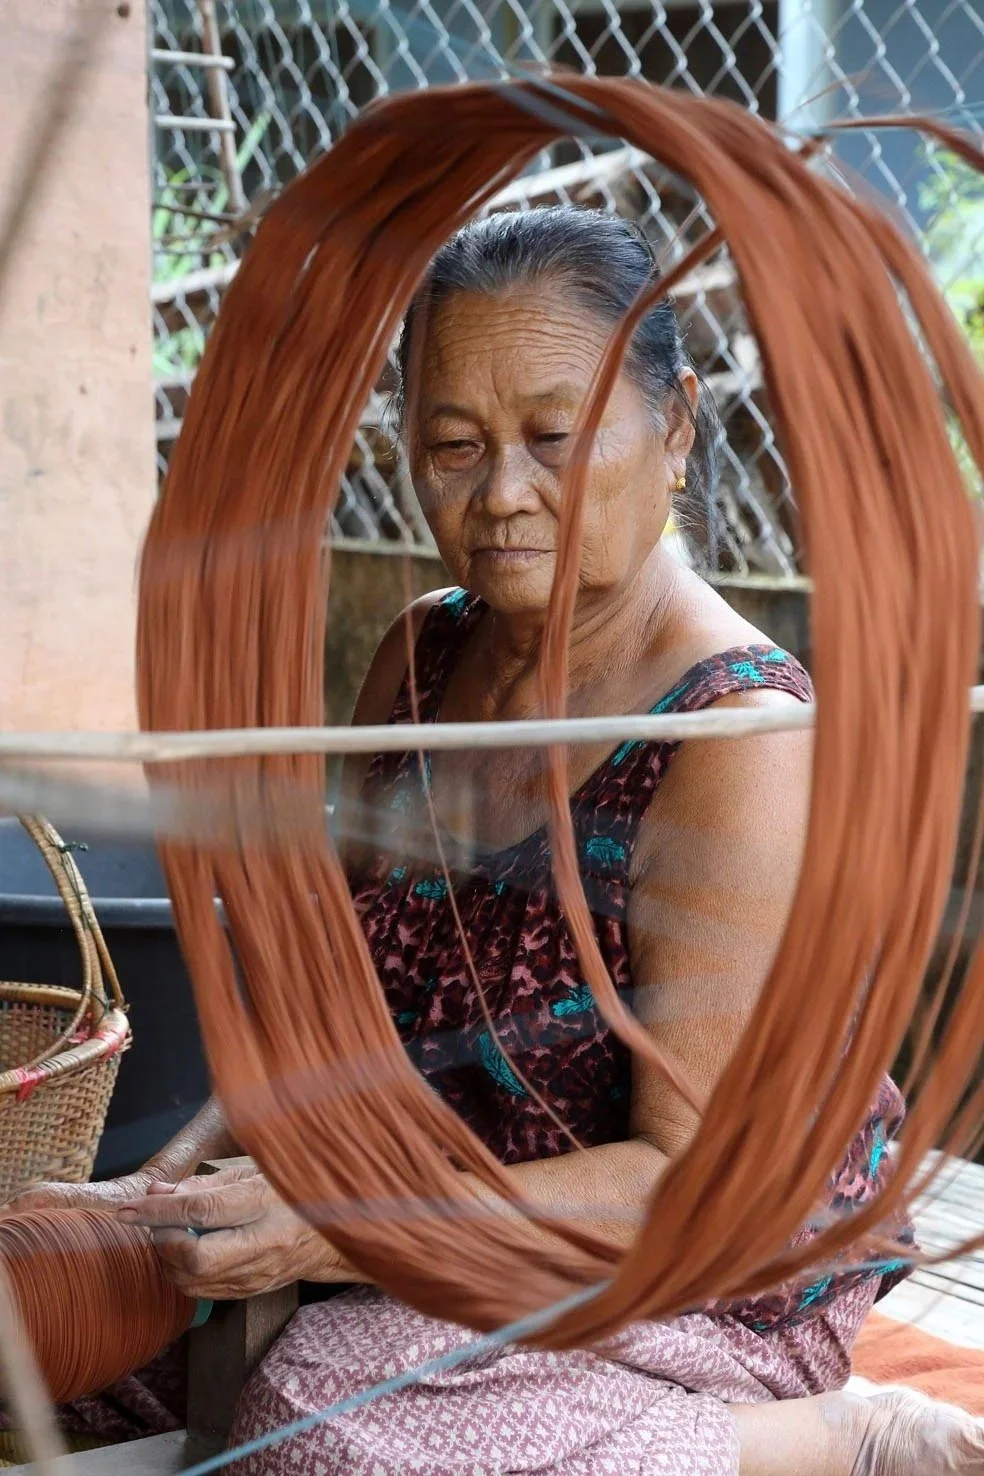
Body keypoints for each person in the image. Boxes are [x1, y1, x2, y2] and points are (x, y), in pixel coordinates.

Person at [18, 209, 983, 1475]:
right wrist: (166, 1195)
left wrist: (340, 1225)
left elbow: (687, 1189)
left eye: (555, 438)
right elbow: (333, 1019)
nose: (504, 494)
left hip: (692, 1276)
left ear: (679, 423)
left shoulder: (734, 735)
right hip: (415, 1213)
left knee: (325, 1425)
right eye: (453, 446)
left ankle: (831, 1440)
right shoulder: (421, 656)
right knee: (38, 1308)